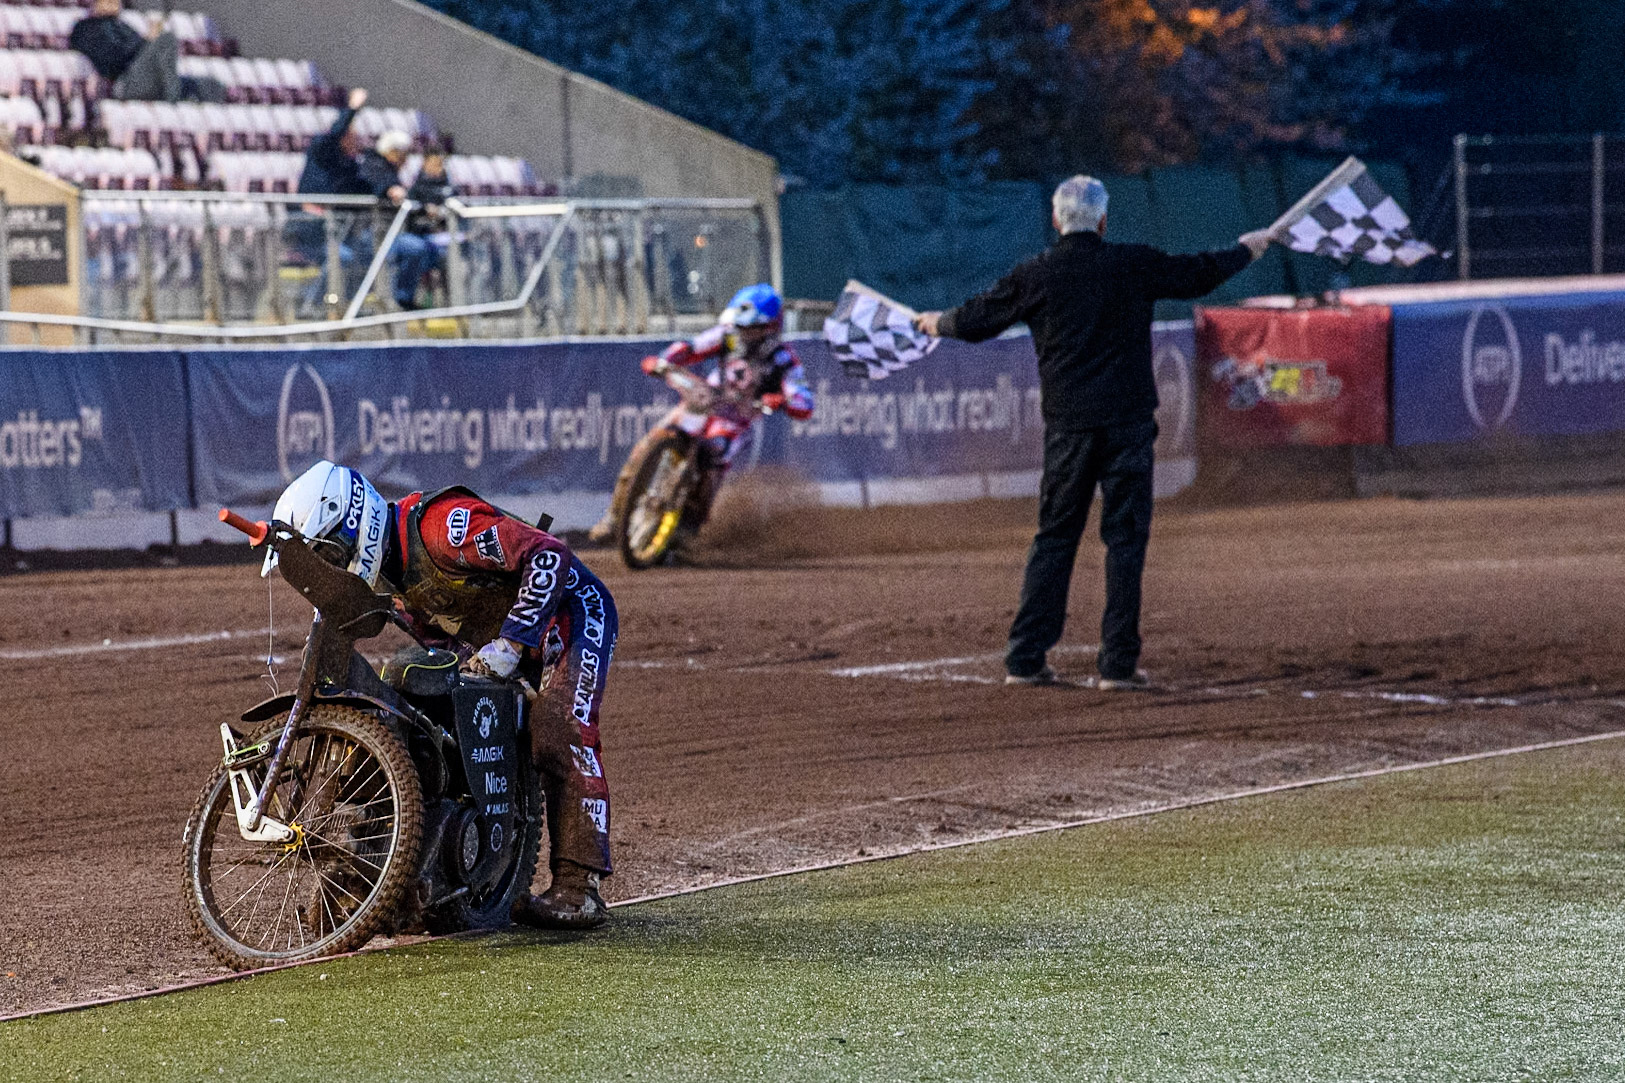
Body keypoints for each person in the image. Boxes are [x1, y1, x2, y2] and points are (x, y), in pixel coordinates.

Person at [914, 175, 1271, 689]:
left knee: (1055, 537)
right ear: (1103, 221)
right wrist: (1246, 250)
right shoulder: (1132, 264)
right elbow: (1200, 273)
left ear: (1056, 221)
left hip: (1068, 430)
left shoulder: (1037, 273)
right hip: (1128, 426)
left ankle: (1025, 658)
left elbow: (974, 321)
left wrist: (935, 323)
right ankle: (1118, 665)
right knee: (1125, 541)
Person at [267, 459, 617, 928]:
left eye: (330, 553)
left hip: (572, 615)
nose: (330, 567)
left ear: (354, 523)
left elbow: (549, 555)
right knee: (405, 704)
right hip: (496, 639)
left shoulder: (442, 528)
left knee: (556, 729)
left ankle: (580, 888)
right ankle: (373, 873)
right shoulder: (390, 579)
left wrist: (513, 643)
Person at [587, 283, 815, 546]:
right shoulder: (726, 336)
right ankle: (614, 517)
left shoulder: (784, 359)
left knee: (716, 455)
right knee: (649, 443)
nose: (744, 335)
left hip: (735, 419)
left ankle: (689, 529)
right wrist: (664, 361)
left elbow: (804, 401)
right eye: (741, 327)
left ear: (770, 329)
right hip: (704, 400)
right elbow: (691, 347)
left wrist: (782, 400)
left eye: (752, 329)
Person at [69, 0, 226, 103]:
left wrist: (148, 42)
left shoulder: (121, 25)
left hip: (147, 78)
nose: (114, 3)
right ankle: (173, 97)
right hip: (125, 81)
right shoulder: (86, 28)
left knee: (210, 85)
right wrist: (150, 42)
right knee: (167, 39)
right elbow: (112, 58)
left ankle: (174, 93)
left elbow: (139, 47)